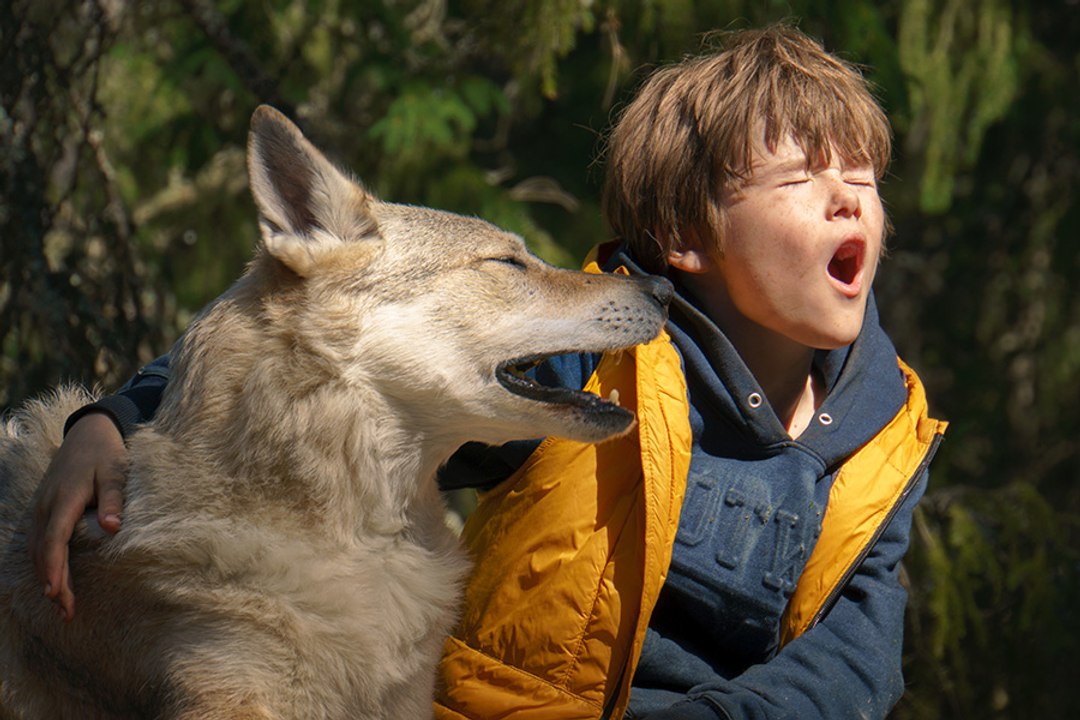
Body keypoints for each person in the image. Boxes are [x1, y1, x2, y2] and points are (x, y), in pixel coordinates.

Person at [30, 24, 946, 720]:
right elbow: (289, 352)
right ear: (684, 241)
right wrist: (107, 423)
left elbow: (858, 662)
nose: (846, 197)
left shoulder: (887, 435)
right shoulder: (589, 365)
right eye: (800, 181)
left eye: (864, 179)